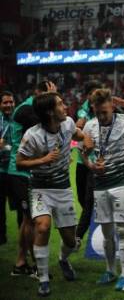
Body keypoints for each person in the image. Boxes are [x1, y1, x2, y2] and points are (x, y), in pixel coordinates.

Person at [16, 92, 93, 297]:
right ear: (50, 111)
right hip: (40, 188)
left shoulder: (67, 124)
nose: (65, 106)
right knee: (42, 227)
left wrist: (86, 140)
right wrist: (43, 160)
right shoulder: (32, 135)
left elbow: (79, 134)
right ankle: (43, 279)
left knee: (71, 242)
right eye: (60, 104)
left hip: (62, 188)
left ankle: (63, 259)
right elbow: (19, 162)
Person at [81, 88, 124, 290]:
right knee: (106, 231)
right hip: (99, 184)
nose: (101, 116)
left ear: (112, 106)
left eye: (105, 112)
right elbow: (84, 154)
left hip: (121, 181)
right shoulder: (89, 126)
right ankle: (110, 270)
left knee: (122, 229)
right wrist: (90, 164)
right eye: (98, 112)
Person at [7, 80, 56, 277]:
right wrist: (52, 100)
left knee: (27, 220)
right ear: (38, 93)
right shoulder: (27, 110)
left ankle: (23, 263)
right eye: (47, 95)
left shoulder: (27, 108)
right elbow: (49, 121)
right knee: (31, 221)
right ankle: (30, 265)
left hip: (27, 173)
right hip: (21, 172)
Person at [75, 81, 102, 245]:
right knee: (81, 198)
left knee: (88, 200)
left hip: (96, 163)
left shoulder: (106, 109)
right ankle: (90, 217)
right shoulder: (84, 109)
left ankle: (79, 234)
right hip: (81, 162)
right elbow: (81, 120)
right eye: (93, 93)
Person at [0, 91, 15, 245]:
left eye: (11, 102)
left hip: (15, 170)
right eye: (5, 102)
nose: (9, 105)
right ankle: (1, 236)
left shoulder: (17, 119)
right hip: (1, 171)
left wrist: (6, 146)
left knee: (22, 207)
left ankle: (24, 236)